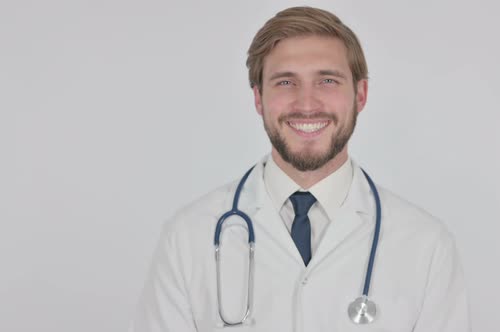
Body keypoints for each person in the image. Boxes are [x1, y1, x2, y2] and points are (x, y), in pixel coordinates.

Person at [131, 6, 470, 332]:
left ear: (361, 95)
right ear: (258, 98)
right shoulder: (188, 239)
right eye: (285, 82)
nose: (306, 104)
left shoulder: (426, 247)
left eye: (327, 81)